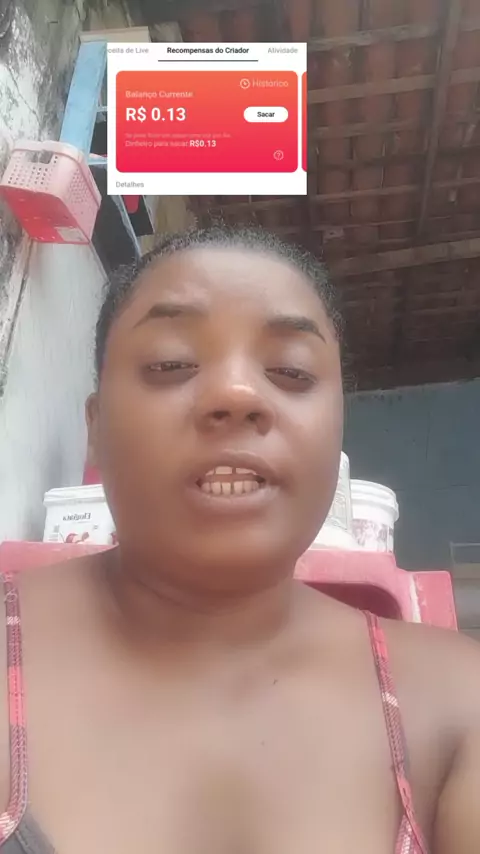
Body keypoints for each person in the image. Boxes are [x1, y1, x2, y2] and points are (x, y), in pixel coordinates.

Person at [0, 224, 479, 854]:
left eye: (290, 371)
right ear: (95, 425)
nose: (236, 393)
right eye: (170, 364)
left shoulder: (459, 705)